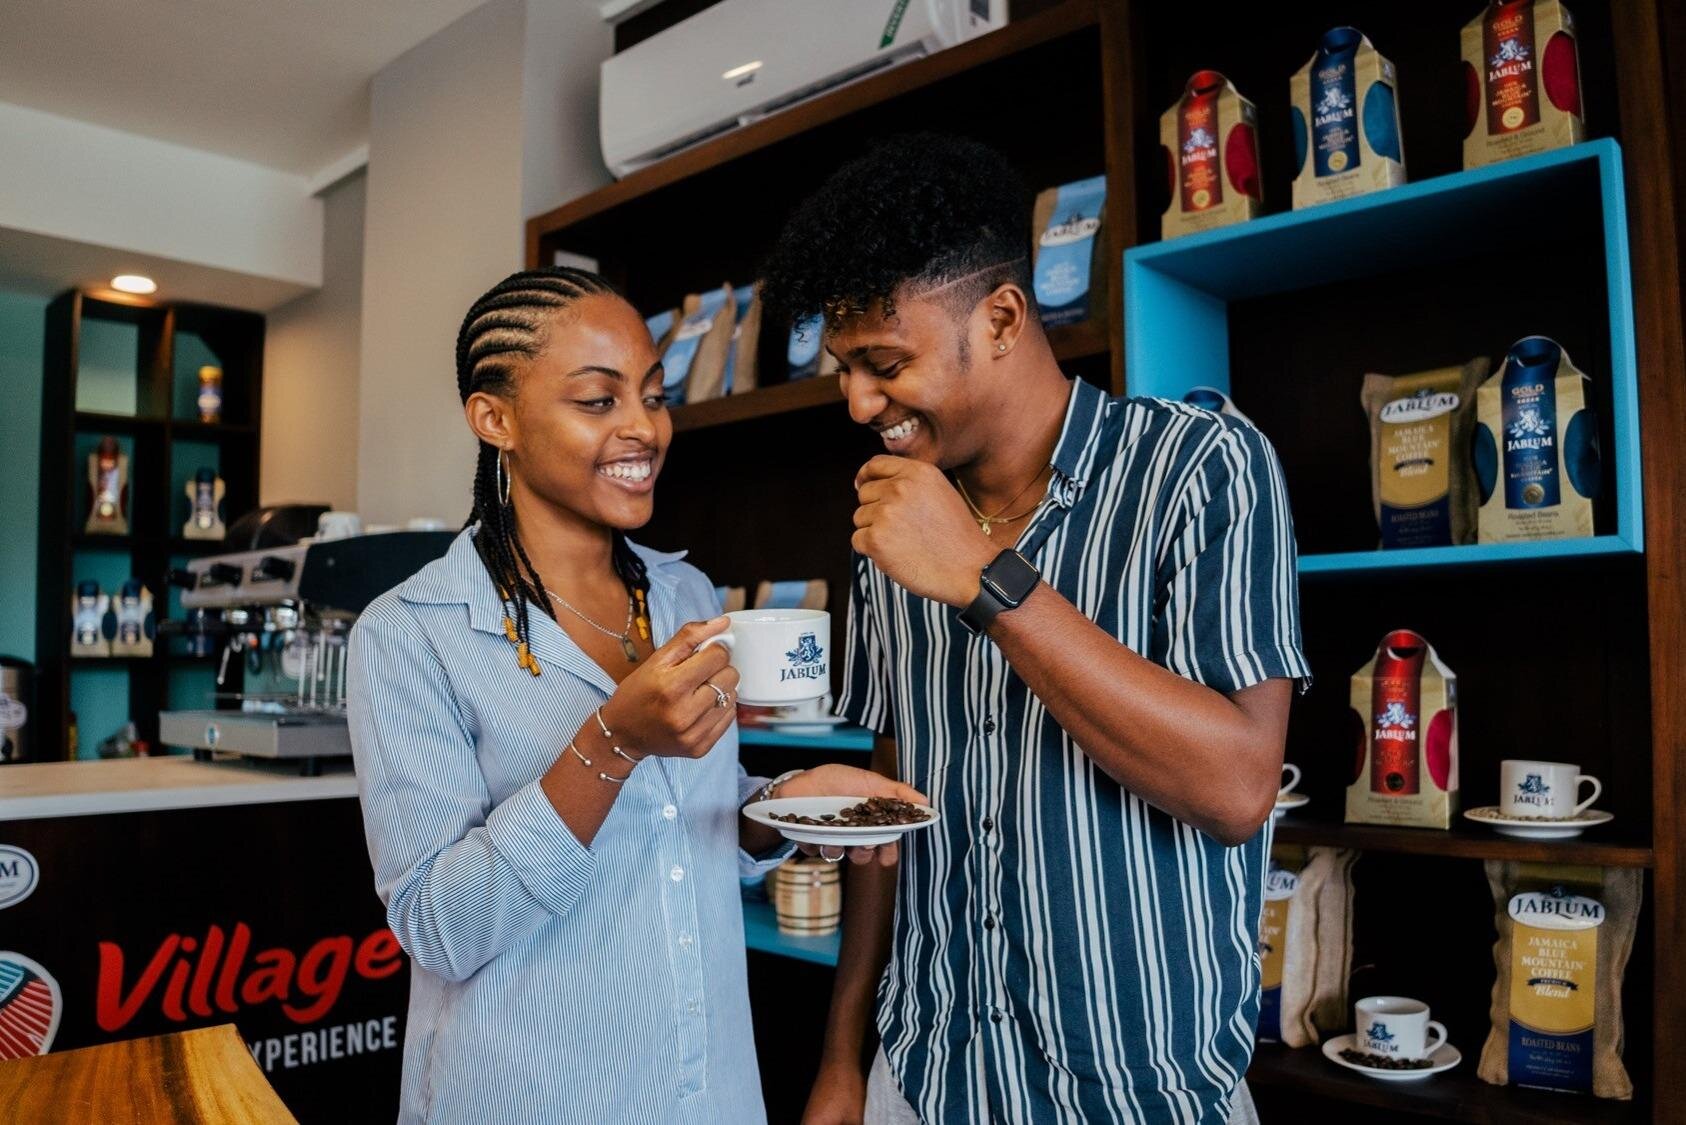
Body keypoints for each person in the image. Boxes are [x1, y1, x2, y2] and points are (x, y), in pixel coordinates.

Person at [759, 136, 1310, 1123]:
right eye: (845, 368)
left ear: (1004, 318)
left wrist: (984, 578)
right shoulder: (889, 523)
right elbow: (892, 801)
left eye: (886, 363)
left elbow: (1237, 788)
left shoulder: (1200, 468)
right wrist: (843, 1058)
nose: (858, 402)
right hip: (922, 1078)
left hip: (1140, 1096)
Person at [346, 267, 920, 1123]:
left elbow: (680, 827)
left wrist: (786, 806)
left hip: (711, 1092)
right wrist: (610, 742)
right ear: (495, 418)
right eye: (598, 400)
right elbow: (439, 928)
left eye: (653, 395)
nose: (645, 428)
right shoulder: (409, 633)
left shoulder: (685, 595)